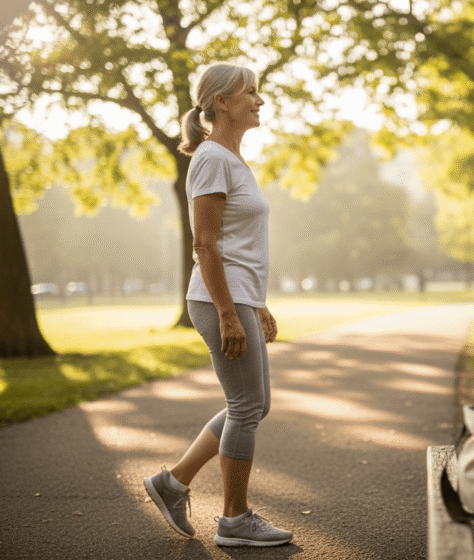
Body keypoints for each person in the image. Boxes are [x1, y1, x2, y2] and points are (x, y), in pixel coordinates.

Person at [143, 62, 292, 548]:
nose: (260, 100)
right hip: (216, 300)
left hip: (236, 296)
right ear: (221, 101)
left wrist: (257, 303)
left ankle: (173, 482)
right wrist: (229, 312)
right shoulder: (211, 158)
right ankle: (234, 519)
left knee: (252, 404)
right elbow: (205, 245)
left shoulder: (230, 159)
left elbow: (238, 244)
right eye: (251, 92)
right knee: (247, 406)